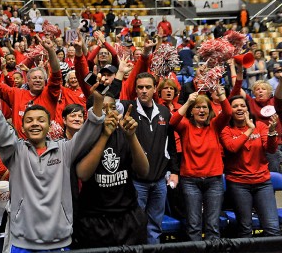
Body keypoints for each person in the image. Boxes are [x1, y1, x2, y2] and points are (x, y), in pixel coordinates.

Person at [0, 53, 106, 252]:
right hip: (22, 242)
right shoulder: (15, 151)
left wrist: (98, 101)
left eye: (41, 120)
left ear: (49, 123)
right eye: (29, 120)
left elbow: (91, 127)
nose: (35, 123)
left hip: (59, 241)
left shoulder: (65, 149)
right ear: (22, 127)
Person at [72, 97, 149, 248]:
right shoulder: (83, 138)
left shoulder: (125, 133)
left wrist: (132, 137)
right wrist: (105, 135)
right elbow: (83, 174)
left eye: (112, 107)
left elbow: (144, 171)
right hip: (95, 220)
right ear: (92, 113)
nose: (109, 112)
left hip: (128, 217)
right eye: (103, 108)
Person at [119, 72, 179, 244]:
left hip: (160, 181)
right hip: (136, 181)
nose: (144, 91)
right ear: (135, 90)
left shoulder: (164, 111)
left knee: (155, 228)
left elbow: (171, 145)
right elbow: (106, 102)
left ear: (155, 89)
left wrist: (174, 171)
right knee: (135, 226)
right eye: (140, 87)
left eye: (148, 87)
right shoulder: (126, 108)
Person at [170, 87, 231, 241]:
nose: (202, 110)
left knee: (212, 226)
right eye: (197, 107)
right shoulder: (185, 126)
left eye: (205, 107)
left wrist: (222, 95)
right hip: (190, 181)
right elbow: (173, 121)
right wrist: (189, 101)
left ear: (209, 111)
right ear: (192, 111)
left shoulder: (215, 126)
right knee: (193, 225)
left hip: (214, 180)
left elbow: (228, 113)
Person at [221, 95, 280, 238]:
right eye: (235, 106)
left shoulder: (260, 126)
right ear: (230, 110)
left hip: (263, 183)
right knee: (245, 229)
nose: (239, 108)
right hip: (238, 184)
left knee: (272, 228)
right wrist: (249, 130)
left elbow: (271, 149)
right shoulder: (226, 130)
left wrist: (272, 131)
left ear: (247, 108)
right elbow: (232, 148)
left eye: (242, 105)